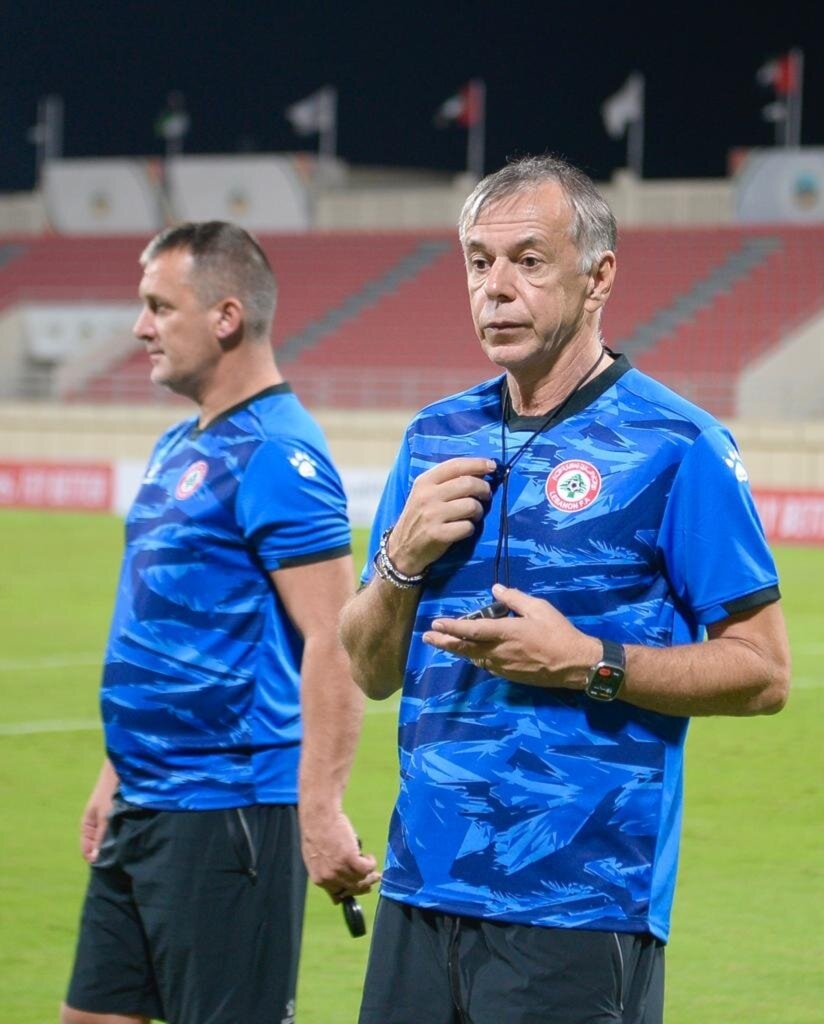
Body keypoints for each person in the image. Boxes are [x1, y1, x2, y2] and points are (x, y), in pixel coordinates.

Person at [339, 155, 791, 1024]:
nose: (495, 289)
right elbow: (370, 670)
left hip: (579, 905)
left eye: (528, 260)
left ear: (598, 277)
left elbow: (765, 671)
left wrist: (590, 662)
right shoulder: (435, 436)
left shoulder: (676, 444)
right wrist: (398, 562)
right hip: (421, 891)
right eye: (478, 262)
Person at [61, 221, 379, 1024]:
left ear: (226, 316)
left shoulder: (280, 454)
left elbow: (334, 639)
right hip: (145, 801)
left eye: (158, 307)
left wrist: (320, 809)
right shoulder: (177, 444)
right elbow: (157, 628)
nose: (140, 327)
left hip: (227, 812)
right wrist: (113, 774)